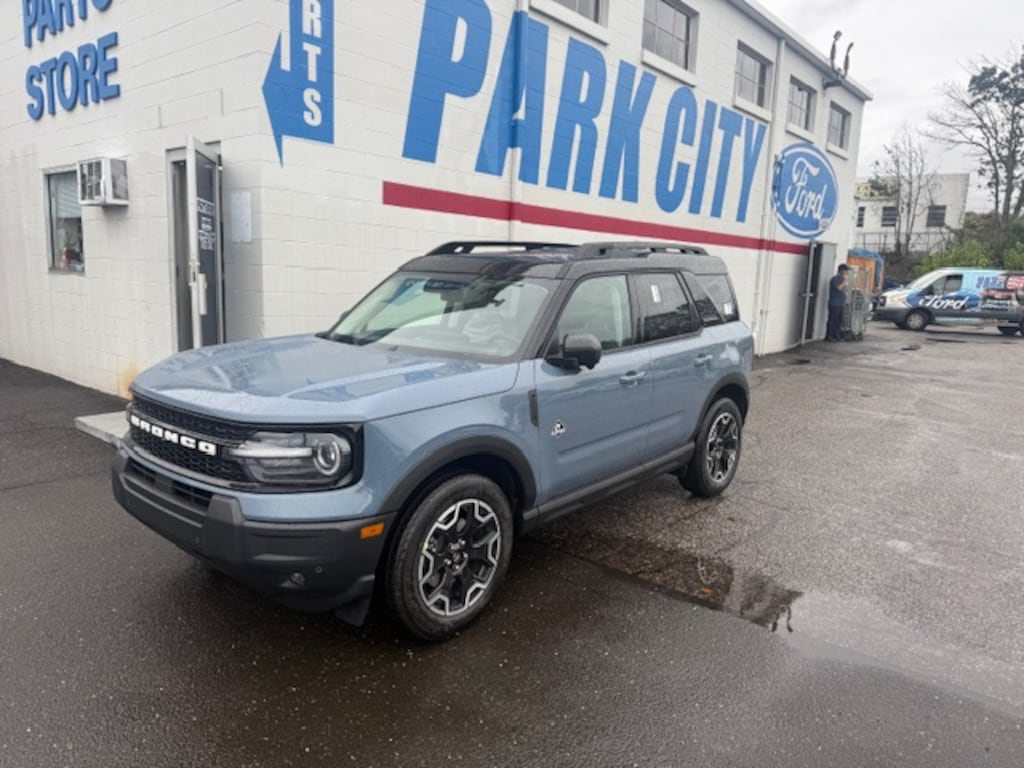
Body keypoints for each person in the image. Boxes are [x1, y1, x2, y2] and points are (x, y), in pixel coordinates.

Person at [826, 264, 849, 341]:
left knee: (838, 321)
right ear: (841, 271)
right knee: (833, 320)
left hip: (840, 303)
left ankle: (836, 336)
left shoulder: (841, 280)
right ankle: (830, 336)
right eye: (845, 271)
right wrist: (845, 281)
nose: (846, 273)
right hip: (834, 303)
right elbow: (839, 288)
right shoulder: (835, 279)